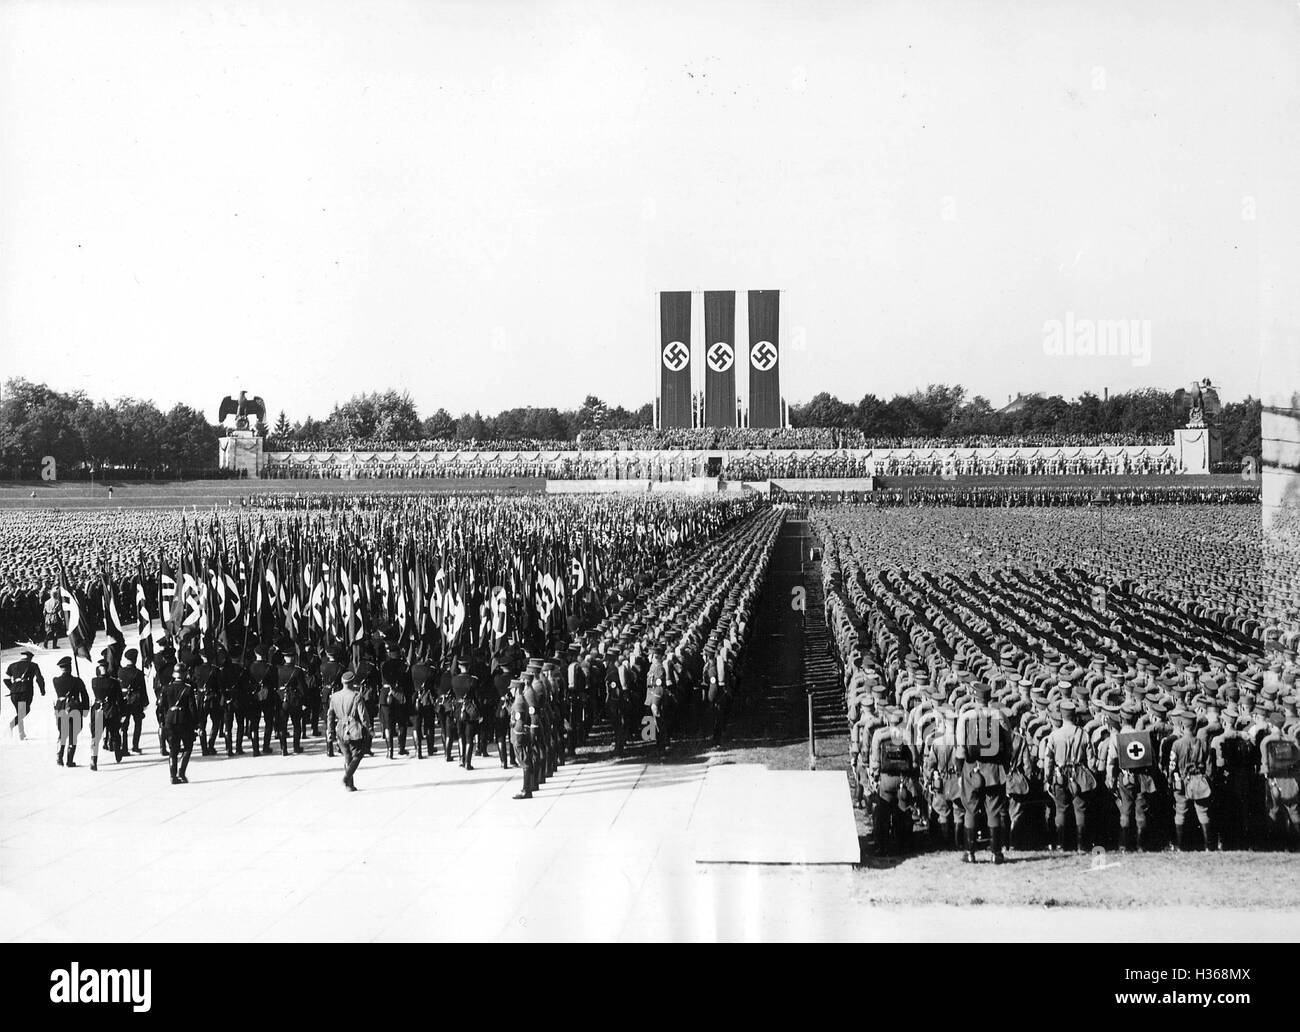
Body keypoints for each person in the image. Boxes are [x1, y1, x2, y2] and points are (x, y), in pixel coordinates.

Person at [955, 682, 1010, 863]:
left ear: (974, 698)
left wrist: (960, 771)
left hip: (972, 769)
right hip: (994, 769)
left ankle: (970, 853)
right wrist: (1004, 766)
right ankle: (996, 854)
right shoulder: (999, 715)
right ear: (989, 698)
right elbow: (1008, 746)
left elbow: (961, 749)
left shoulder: (966, 717)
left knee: (970, 809)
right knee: (994, 811)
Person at [1042, 698, 1096, 853]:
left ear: (1062, 716)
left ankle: (1061, 845)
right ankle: (1081, 846)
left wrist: (1047, 777)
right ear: (1074, 715)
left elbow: (1048, 760)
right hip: (1079, 774)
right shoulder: (1084, 734)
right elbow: (1091, 760)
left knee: (1061, 810)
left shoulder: (1054, 735)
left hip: (1059, 775)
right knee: (1080, 810)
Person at [869, 708, 918, 855]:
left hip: (886, 779)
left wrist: (875, 777)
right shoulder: (907, 735)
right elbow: (915, 761)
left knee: (883, 813)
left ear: (887, 720)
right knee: (903, 812)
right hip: (903, 779)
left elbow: (876, 761)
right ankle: (903, 845)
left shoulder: (880, 735)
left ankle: (882, 846)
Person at [1168, 708, 1216, 851]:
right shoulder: (1203, 743)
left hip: (1182, 782)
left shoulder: (1177, 744)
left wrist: (1172, 780)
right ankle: (1209, 846)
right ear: (1195, 726)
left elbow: (1172, 766)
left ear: (1182, 726)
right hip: (1200, 781)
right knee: (1203, 812)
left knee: (1180, 813)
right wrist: (1206, 781)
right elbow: (1210, 767)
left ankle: (1180, 846)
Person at [327, 670, 367, 791]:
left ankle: (350, 785)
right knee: (358, 754)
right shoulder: (357, 696)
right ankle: (347, 777)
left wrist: (330, 731)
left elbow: (330, 716)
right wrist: (368, 729)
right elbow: (363, 715)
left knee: (347, 756)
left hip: (340, 728)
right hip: (353, 727)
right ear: (352, 682)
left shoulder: (334, 697)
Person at [160, 662, 199, 784]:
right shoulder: (188, 689)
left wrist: (162, 721)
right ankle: (181, 772)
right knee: (188, 747)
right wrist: (196, 724)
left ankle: (172, 775)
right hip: (184, 721)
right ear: (185, 674)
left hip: (170, 720)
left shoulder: (167, 688)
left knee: (173, 749)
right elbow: (192, 708)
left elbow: (161, 707)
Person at [52, 656, 89, 767]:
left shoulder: (56, 681)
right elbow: (85, 696)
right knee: (73, 735)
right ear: (70, 667)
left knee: (62, 734)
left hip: (61, 709)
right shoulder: (77, 681)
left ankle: (59, 757)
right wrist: (85, 710)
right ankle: (69, 761)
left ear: (61, 668)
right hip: (74, 709)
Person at [88, 660, 125, 770]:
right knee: (115, 733)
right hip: (110, 710)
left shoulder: (93, 681)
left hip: (98, 709)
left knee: (96, 737)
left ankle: (93, 760)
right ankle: (118, 753)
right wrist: (122, 713)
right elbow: (119, 700)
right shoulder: (114, 682)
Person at [5, 648, 45, 740]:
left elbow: (5, 679)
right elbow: (39, 679)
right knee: (24, 711)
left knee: (19, 713)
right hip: (25, 692)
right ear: (30, 658)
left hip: (14, 693)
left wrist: (12, 688)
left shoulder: (12, 665)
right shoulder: (33, 665)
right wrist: (42, 690)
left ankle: (21, 734)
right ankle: (11, 725)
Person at [510, 679, 537, 800]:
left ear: (516, 689)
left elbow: (519, 720)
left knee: (524, 761)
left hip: (518, 734)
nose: (510, 691)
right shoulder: (520, 699)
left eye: (512, 688)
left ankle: (527, 790)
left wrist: (517, 732)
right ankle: (527, 787)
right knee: (525, 760)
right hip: (520, 732)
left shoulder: (519, 701)